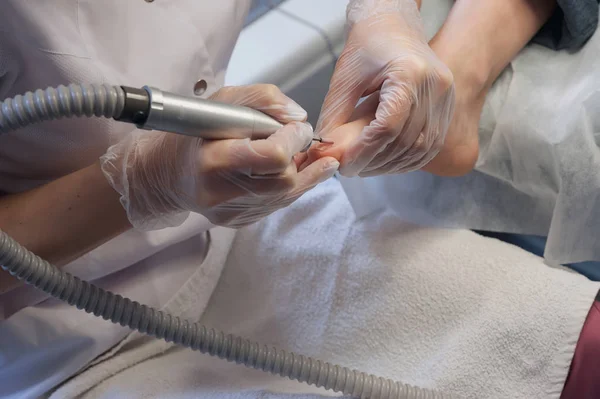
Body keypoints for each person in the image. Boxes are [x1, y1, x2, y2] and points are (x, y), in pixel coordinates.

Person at [0, 1, 598, 398]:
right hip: (64, 350)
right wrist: (139, 184)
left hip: (242, 233)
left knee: (576, 345)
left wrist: (387, 15)